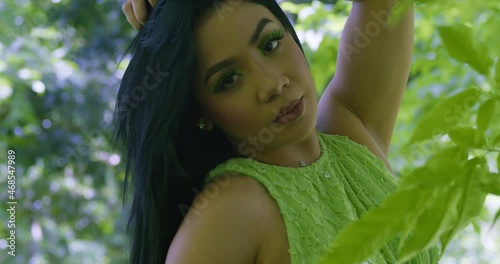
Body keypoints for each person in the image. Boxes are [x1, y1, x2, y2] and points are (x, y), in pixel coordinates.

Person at [115, 0, 442, 263]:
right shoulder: (232, 209)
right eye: (229, 80)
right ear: (201, 114)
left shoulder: (351, 130)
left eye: (271, 43)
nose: (272, 84)